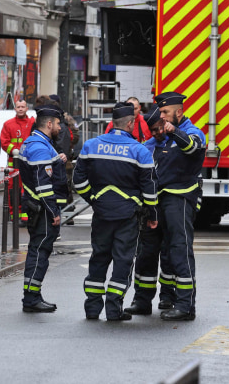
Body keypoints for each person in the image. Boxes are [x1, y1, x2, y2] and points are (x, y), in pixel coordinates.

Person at [73, 102, 158, 321]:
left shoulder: (91, 146)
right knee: (123, 261)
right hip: (128, 215)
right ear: (130, 124)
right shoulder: (139, 151)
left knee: (99, 258)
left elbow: (77, 181)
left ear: (112, 123)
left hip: (101, 213)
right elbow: (149, 189)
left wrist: (93, 199)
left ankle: (92, 308)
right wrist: (152, 215)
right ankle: (113, 309)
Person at [151, 91, 206, 321]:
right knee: (167, 250)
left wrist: (175, 133)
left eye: (165, 112)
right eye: (161, 112)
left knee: (181, 250)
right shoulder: (164, 135)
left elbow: (192, 147)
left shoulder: (193, 133)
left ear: (179, 112)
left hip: (180, 200)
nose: (161, 116)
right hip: (162, 199)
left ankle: (186, 305)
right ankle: (169, 297)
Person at [124, 104, 176, 316]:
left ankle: (167, 296)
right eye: (152, 130)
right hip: (150, 209)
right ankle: (142, 300)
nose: (156, 133)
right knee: (146, 255)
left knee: (170, 254)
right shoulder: (146, 147)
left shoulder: (178, 144)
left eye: (158, 128)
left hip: (171, 207)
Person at [18, 103, 67, 313]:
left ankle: (32, 295)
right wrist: (53, 211)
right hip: (42, 209)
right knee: (39, 253)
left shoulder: (36, 142)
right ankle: (31, 298)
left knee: (37, 251)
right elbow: (43, 184)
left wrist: (58, 160)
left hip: (36, 206)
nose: (60, 127)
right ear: (48, 123)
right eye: (57, 124)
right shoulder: (39, 147)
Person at [0, 99, 33, 225]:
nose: (20, 109)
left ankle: (26, 216)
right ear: (15, 109)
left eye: (22, 107)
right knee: (13, 190)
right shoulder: (8, 124)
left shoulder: (32, 123)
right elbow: (4, 142)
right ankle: (14, 215)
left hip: (29, 162)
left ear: (26, 109)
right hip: (13, 164)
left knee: (28, 189)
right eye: (18, 106)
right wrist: (15, 151)